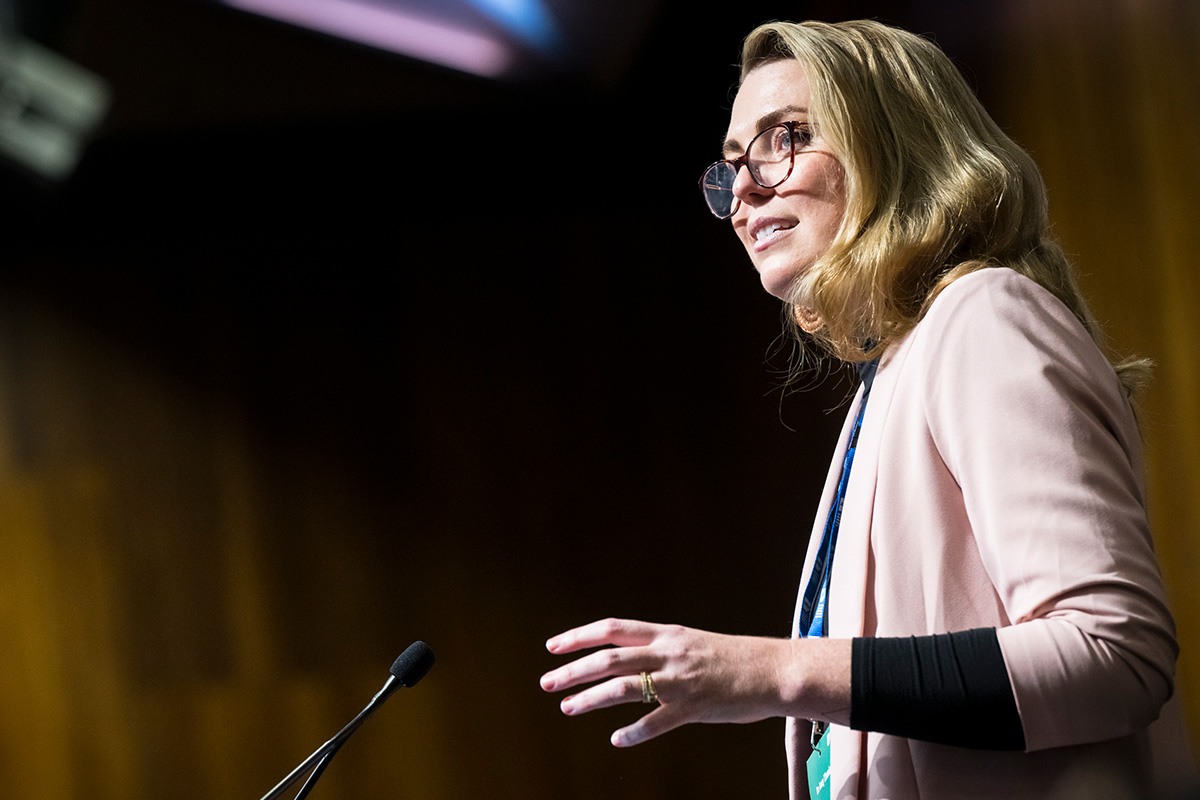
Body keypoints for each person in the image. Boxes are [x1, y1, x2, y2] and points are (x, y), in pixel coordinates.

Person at [539, 18, 1193, 800]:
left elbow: (1115, 656)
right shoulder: (889, 375)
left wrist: (769, 670)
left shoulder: (984, 315)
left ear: (895, 144)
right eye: (732, 164)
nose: (744, 189)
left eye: (785, 138)